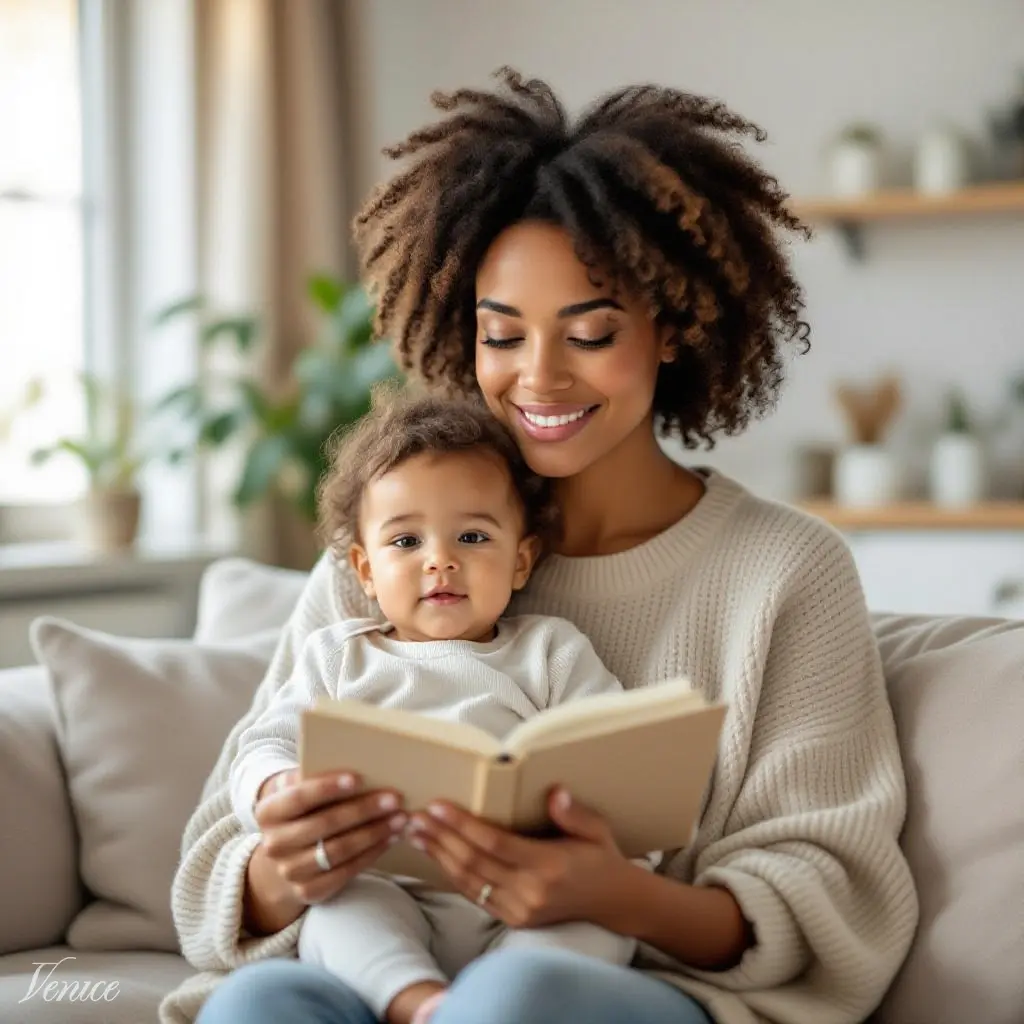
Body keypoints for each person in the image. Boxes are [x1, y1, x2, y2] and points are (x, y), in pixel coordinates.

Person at [162, 68, 918, 1024]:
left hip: (618, 988)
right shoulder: (393, 552)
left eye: (591, 333)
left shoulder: (784, 572)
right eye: (501, 334)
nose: (539, 377)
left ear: (674, 326)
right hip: (391, 964)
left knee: (518, 995)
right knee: (260, 1004)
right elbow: (215, 874)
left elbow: (832, 894)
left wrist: (614, 895)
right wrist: (290, 860)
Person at [228, 389, 651, 1024]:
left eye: (473, 536)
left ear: (521, 560)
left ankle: (497, 999)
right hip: (390, 884)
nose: (441, 560)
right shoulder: (338, 659)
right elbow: (264, 743)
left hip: (529, 895)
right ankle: (417, 1004)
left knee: (597, 925)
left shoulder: (551, 653)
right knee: (340, 911)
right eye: (406, 542)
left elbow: (617, 756)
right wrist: (276, 788)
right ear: (364, 571)